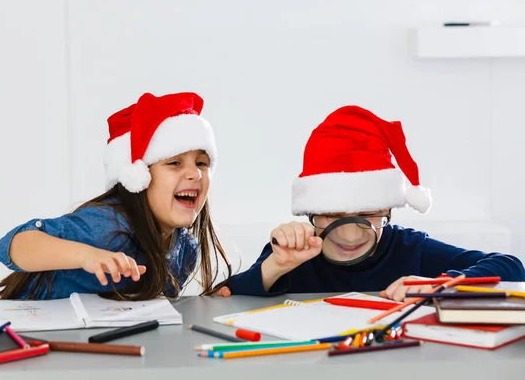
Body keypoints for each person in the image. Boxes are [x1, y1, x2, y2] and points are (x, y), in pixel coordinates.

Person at [217, 105, 525, 301]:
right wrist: (277, 265)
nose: (350, 235)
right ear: (311, 214)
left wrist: (441, 285)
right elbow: (229, 295)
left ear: (388, 210)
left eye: (367, 215)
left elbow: (511, 267)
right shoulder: (295, 251)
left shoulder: (408, 249)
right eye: (333, 216)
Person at [0, 92, 231, 300]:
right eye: (174, 163)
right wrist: (87, 255)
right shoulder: (108, 228)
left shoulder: (186, 250)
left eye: (202, 163)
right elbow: (11, 245)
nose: (195, 174)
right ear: (140, 177)